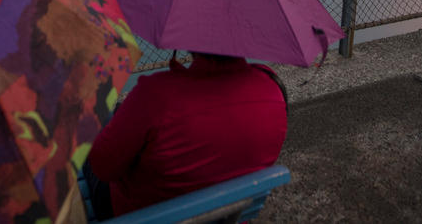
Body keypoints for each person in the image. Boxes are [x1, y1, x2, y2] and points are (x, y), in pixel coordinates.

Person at [85, 51, 288, 219]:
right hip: (230, 215)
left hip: (143, 215)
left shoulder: (155, 95)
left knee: (91, 141)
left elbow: (102, 169)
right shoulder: (271, 87)